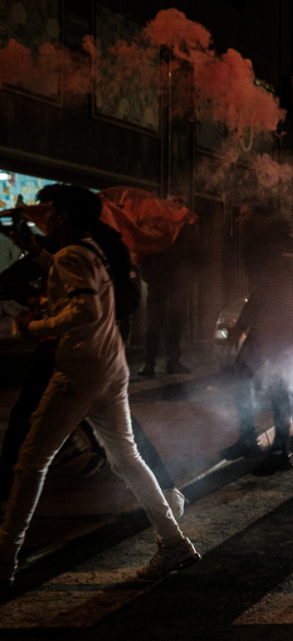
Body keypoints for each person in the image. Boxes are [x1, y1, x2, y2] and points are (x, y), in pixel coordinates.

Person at [1, 185, 198, 587]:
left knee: (31, 462)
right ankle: (173, 542)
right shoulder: (89, 249)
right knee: (126, 457)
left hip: (81, 370)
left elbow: (85, 307)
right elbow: (67, 269)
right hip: (110, 366)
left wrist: (33, 327)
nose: (46, 216)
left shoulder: (75, 253)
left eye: (52, 211)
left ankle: (4, 561)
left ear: (67, 217)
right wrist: (32, 249)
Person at [0, 221, 187, 521]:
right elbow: (16, 277)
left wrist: (53, 315)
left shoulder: (105, 249)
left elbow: (116, 301)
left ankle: (166, 495)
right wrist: (37, 295)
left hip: (91, 353)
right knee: (32, 420)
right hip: (64, 351)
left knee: (119, 443)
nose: (52, 221)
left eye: (56, 214)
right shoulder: (64, 248)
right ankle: (166, 503)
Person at [218, 202, 293, 476]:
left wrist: (239, 327)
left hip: (278, 327)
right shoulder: (281, 242)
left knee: (277, 384)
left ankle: (281, 450)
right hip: (274, 325)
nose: (239, 219)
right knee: (241, 374)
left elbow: (263, 290)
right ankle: (248, 439)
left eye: (245, 214)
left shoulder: (264, 245)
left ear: (260, 218)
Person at [139, 195, 194, 377]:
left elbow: (194, 254)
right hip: (159, 281)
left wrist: (189, 276)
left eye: (181, 202)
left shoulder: (186, 229)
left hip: (177, 283)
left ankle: (172, 361)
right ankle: (149, 363)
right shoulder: (157, 225)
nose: (178, 205)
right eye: (175, 201)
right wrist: (147, 275)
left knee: (174, 323)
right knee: (154, 324)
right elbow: (144, 250)